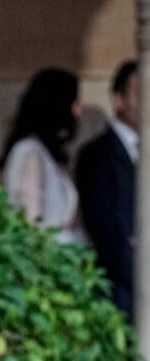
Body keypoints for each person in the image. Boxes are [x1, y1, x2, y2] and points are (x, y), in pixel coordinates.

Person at [75, 60, 139, 323]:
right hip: (120, 298)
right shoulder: (97, 155)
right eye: (140, 92)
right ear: (118, 98)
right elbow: (110, 236)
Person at [0, 67, 86, 244]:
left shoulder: (47, 153)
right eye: (74, 102)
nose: (79, 110)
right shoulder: (29, 151)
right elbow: (30, 224)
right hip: (47, 260)